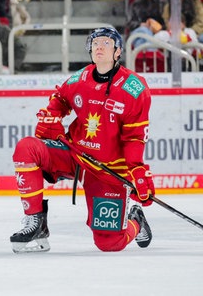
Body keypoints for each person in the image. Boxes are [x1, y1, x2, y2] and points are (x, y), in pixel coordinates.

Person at [9, 27, 154, 253]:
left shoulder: (134, 88)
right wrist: (53, 115)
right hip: (75, 155)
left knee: (109, 243)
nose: (99, 46)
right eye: (95, 42)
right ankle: (36, 223)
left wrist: (137, 171)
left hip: (107, 170)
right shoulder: (81, 78)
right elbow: (60, 98)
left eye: (106, 42)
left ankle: (136, 219)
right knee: (27, 148)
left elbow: (135, 137)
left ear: (118, 52)